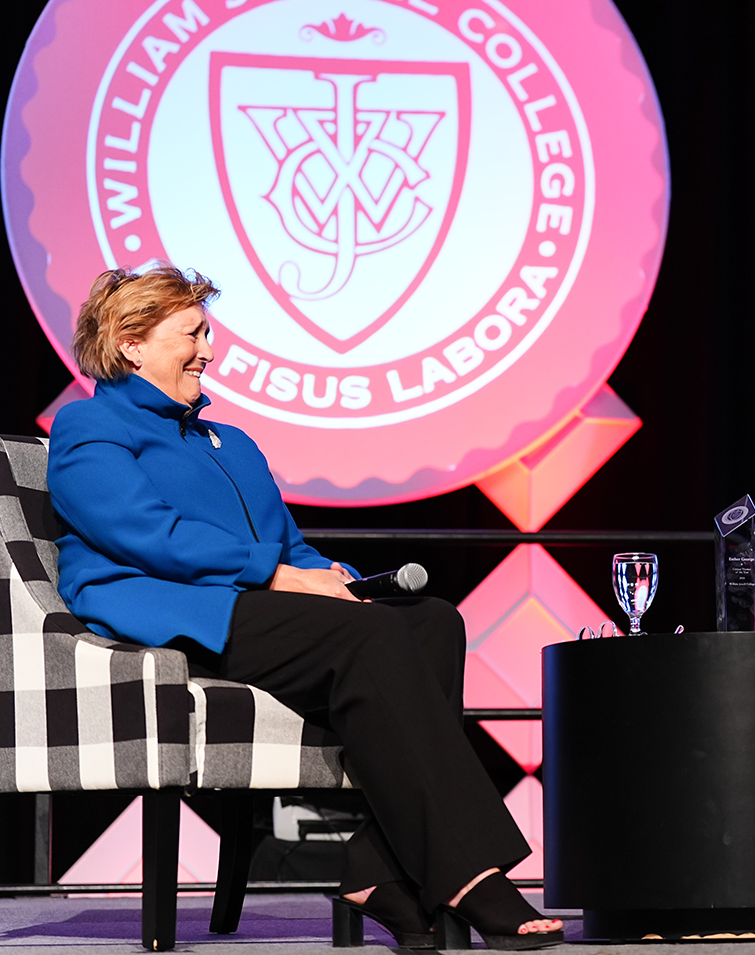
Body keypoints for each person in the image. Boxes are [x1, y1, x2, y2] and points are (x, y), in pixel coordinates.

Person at [47, 266, 563, 950]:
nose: (209, 349)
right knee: (372, 638)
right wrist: (283, 576)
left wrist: (329, 575)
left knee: (433, 618)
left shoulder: (228, 443)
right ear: (130, 342)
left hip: (250, 604)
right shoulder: (90, 424)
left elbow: (287, 544)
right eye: (193, 334)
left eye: (208, 333)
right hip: (175, 614)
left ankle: (374, 866)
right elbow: (147, 536)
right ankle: (473, 875)